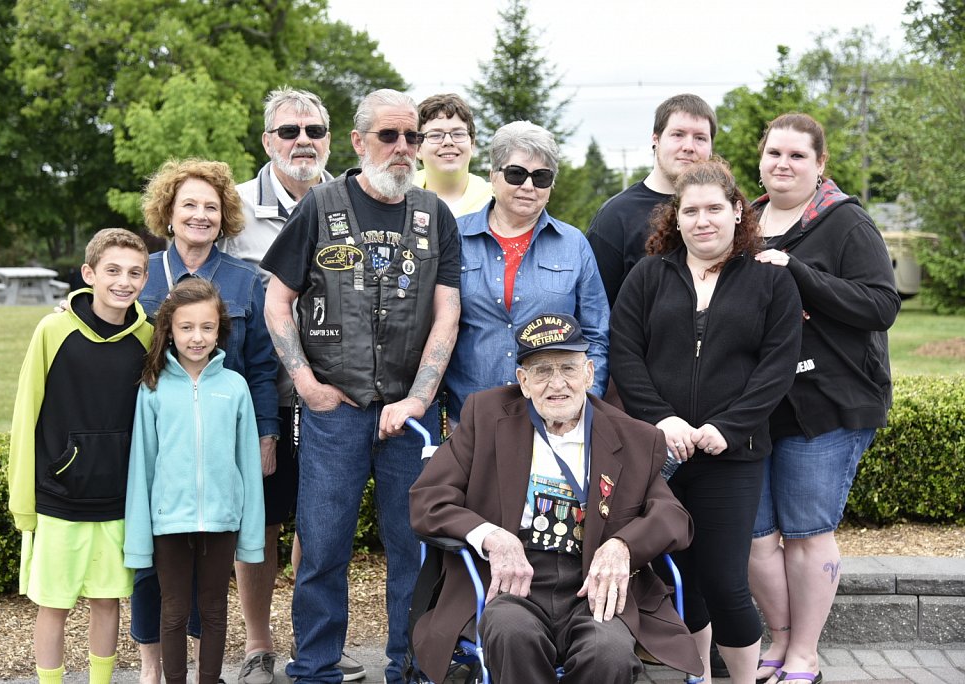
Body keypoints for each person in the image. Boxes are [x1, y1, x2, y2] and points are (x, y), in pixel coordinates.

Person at [261, 88, 461, 683]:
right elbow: (277, 300)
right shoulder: (321, 206)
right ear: (358, 141)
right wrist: (305, 384)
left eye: (412, 139)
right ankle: (316, 667)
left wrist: (420, 398)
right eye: (389, 137)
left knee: (415, 548)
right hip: (334, 410)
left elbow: (447, 313)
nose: (402, 149)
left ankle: (411, 666)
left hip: (412, 414)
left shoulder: (433, 214)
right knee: (322, 549)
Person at [409, 313, 703, 683]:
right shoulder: (487, 416)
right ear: (523, 381)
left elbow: (673, 516)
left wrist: (623, 546)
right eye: (543, 371)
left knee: (607, 651)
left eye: (568, 368)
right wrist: (490, 535)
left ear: (589, 374)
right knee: (511, 632)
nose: (557, 383)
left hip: (593, 588)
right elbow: (428, 499)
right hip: (511, 582)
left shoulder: (634, 437)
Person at [610, 160, 803, 684]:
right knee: (683, 579)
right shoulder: (649, 275)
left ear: (737, 210)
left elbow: (777, 365)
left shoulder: (769, 280)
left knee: (723, 579)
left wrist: (731, 426)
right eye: (690, 210)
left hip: (731, 456)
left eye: (714, 208)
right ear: (676, 217)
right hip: (662, 452)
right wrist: (661, 418)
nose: (703, 221)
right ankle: (698, 677)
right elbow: (626, 353)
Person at [219, 87, 366, 683]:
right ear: (267, 141)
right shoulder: (234, 212)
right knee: (261, 522)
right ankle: (258, 643)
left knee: (322, 523)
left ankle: (317, 640)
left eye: (314, 130)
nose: (302, 141)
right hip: (262, 395)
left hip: (335, 396)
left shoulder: (353, 201)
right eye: (289, 131)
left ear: (330, 139)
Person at [748, 113, 900, 684]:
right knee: (755, 534)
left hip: (828, 405)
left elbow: (881, 305)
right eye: (774, 154)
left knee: (808, 531)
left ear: (820, 165)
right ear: (760, 159)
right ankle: (779, 638)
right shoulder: (749, 220)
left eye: (797, 156)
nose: (783, 164)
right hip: (758, 405)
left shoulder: (845, 224)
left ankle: (805, 655)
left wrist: (800, 274)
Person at [132, 158, 280, 684]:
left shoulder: (246, 282)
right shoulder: (143, 273)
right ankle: (154, 666)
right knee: (153, 562)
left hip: (221, 440)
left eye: (211, 207)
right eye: (188, 205)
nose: (200, 215)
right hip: (155, 433)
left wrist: (266, 434)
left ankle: (207, 666)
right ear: (168, 214)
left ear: (225, 217)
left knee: (210, 573)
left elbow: (262, 367)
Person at [7, 228, 153, 684]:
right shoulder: (53, 330)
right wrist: (23, 502)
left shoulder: (149, 337)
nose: (123, 281)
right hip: (58, 499)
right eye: (112, 271)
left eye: (134, 272)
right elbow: (25, 413)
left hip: (116, 499)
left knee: (107, 602)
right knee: (54, 606)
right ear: (89, 274)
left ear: (146, 279)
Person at [124, 278, 265, 684]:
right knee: (173, 610)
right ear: (169, 330)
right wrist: (138, 541)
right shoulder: (153, 388)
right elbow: (142, 468)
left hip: (221, 521)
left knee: (215, 609)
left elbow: (248, 469)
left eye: (207, 327)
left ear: (220, 329)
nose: (197, 337)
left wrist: (251, 536)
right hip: (169, 523)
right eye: (186, 328)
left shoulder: (235, 387)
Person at [445, 120, 609, 425]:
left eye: (541, 177)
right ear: (493, 177)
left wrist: (583, 405)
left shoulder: (574, 245)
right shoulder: (454, 237)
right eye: (516, 174)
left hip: (553, 420)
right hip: (468, 419)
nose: (528, 186)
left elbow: (596, 335)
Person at [587, 94, 716, 307]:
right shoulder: (616, 216)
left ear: (711, 147)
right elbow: (595, 310)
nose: (689, 146)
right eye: (678, 134)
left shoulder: (726, 212)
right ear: (655, 139)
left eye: (700, 138)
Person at [413, 93, 492, 216]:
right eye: (435, 135)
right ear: (418, 149)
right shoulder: (398, 198)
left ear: (472, 144)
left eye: (458, 134)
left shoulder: (494, 200)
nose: (448, 142)